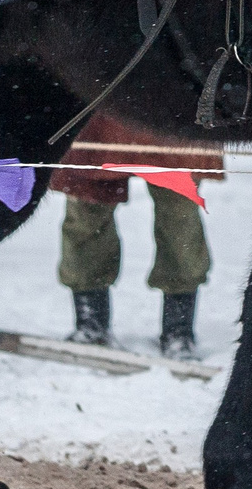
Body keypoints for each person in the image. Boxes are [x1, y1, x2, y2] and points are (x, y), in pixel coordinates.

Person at [52, 124, 226, 358]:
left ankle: (179, 329)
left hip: (172, 106)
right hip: (103, 104)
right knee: (87, 207)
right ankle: (91, 323)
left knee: (180, 217)